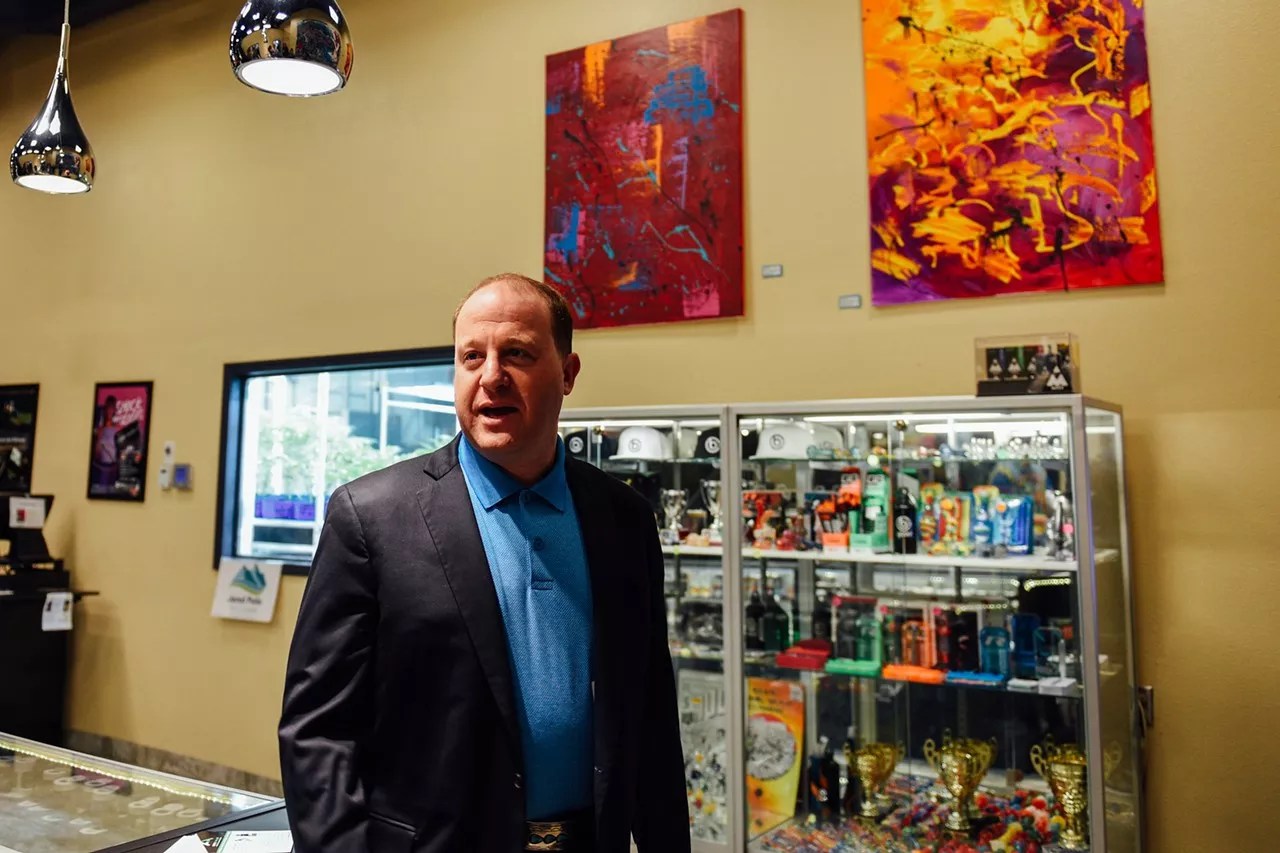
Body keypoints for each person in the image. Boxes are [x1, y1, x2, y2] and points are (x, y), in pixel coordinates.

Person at [279, 273, 689, 853]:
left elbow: (650, 711)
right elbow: (317, 730)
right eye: (471, 357)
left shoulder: (624, 520)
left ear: (568, 374)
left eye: (517, 353)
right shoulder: (371, 517)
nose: (491, 376)